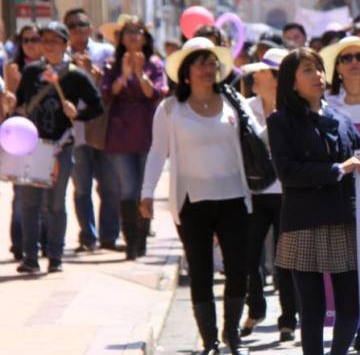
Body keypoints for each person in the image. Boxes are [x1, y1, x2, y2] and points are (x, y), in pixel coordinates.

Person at [140, 37, 259, 355]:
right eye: (200, 63)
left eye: (212, 63)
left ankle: (231, 333)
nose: (208, 69)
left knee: (238, 269)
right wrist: (146, 192)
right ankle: (209, 341)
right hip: (191, 201)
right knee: (200, 269)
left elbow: (259, 137)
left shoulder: (235, 101)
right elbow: (157, 152)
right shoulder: (169, 108)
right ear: (186, 71)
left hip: (235, 197)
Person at [268, 48, 360, 355]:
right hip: (304, 222)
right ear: (291, 81)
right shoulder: (281, 121)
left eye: (319, 68)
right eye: (308, 70)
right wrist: (337, 169)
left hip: (342, 220)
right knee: (311, 311)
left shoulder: (342, 118)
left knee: (351, 308)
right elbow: (288, 172)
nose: (318, 76)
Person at [15, 22, 103, 274]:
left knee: (55, 203)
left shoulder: (75, 75)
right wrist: (11, 101)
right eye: (46, 41)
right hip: (33, 146)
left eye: (56, 41)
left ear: (65, 45)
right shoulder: (32, 72)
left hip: (61, 146)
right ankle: (30, 257)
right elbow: (20, 102)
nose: (50, 46)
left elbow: (97, 106)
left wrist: (78, 115)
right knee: (30, 203)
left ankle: (55, 255)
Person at [236, 47, 299, 342]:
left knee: (284, 260)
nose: (254, 76)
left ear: (275, 78)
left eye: (261, 71)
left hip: (287, 194)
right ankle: (256, 308)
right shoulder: (245, 107)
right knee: (250, 256)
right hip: (254, 193)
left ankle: (288, 318)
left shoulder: (294, 109)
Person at [101, 18, 166, 260]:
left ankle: (142, 239)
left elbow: (155, 92)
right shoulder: (112, 64)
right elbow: (107, 94)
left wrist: (139, 74)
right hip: (120, 134)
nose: (133, 36)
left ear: (145, 38)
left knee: (144, 188)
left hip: (148, 132)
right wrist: (124, 74)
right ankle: (131, 242)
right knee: (127, 188)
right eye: (128, 32)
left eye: (138, 32)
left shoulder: (155, 64)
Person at [64, 8, 120, 253]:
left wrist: (96, 76)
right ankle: (88, 237)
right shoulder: (62, 57)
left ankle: (109, 236)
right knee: (82, 188)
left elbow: (113, 90)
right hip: (76, 131)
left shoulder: (105, 52)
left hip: (103, 128)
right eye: (73, 25)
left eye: (82, 24)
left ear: (90, 26)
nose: (78, 29)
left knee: (110, 186)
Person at [5, 23, 43, 260]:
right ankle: (20, 243)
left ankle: (45, 241)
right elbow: (13, 102)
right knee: (21, 192)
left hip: (46, 136)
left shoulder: (49, 68)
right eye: (25, 40)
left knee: (45, 192)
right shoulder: (12, 67)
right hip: (18, 135)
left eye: (34, 39)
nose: (29, 44)